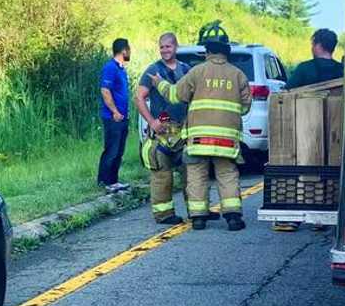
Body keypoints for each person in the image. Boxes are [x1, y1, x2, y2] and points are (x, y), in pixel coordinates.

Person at [163, 22, 252, 230]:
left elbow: (176, 95)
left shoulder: (197, 72)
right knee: (227, 175)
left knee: (196, 175)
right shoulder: (238, 75)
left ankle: (199, 218)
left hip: (198, 138)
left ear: (207, 52)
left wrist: (160, 83)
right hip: (227, 140)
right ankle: (233, 218)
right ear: (226, 52)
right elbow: (246, 108)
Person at [136, 30, 190, 225]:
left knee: (191, 174)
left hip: (185, 132)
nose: (164, 50)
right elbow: (139, 97)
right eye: (161, 47)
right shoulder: (152, 71)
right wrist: (151, 122)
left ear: (176, 47)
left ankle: (197, 212)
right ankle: (164, 215)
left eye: (168, 46)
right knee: (162, 177)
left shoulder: (187, 70)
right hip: (162, 134)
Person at [97, 37, 132, 191]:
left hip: (123, 116)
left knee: (119, 150)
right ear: (124, 50)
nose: (130, 52)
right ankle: (104, 182)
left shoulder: (121, 69)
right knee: (111, 149)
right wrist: (115, 112)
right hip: (113, 117)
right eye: (129, 49)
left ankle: (114, 180)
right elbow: (105, 90)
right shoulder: (110, 68)